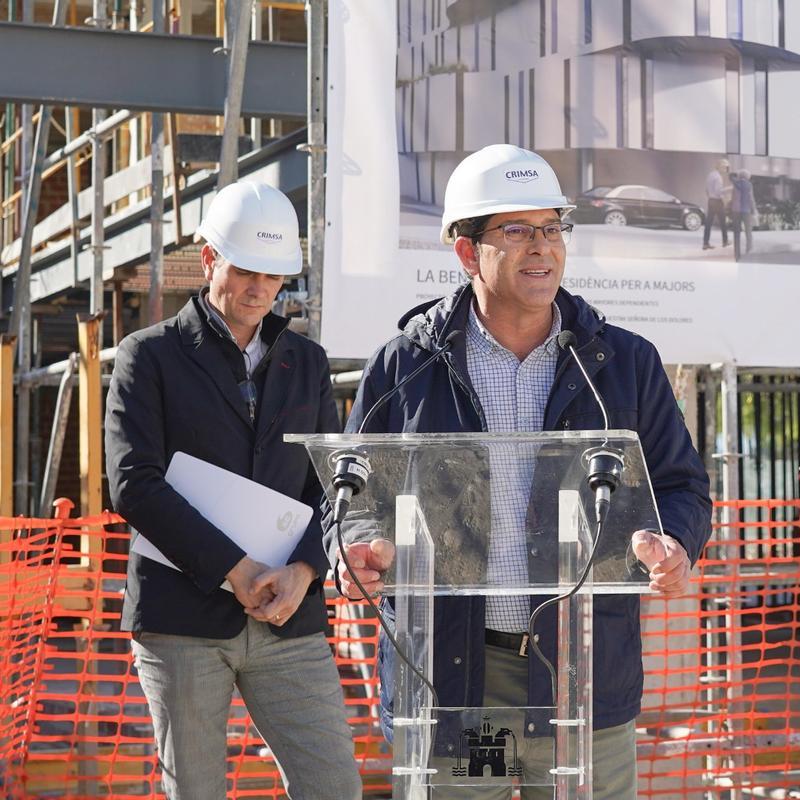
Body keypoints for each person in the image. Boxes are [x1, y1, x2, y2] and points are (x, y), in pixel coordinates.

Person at [327, 144, 712, 799]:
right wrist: (355, 549)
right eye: (516, 230)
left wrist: (674, 542)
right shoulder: (405, 367)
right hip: (459, 686)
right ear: (467, 251)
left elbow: (681, 487)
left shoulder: (620, 364)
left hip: (581, 679)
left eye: (552, 228)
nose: (542, 247)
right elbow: (352, 496)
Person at [105, 181, 361, 799]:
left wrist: (305, 568)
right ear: (209, 257)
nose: (259, 290)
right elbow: (133, 485)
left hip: (287, 613)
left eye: (273, 277)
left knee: (334, 786)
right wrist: (234, 568)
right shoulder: (149, 356)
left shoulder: (306, 361)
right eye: (246, 271)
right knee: (195, 791)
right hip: (182, 620)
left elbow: (334, 484)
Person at [702, 157, 730, 250]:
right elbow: (719, 192)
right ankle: (725, 242)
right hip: (717, 201)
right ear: (720, 167)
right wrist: (730, 189)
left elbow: (706, 189)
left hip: (711, 201)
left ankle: (705, 243)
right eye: (725, 167)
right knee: (723, 222)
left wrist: (711, 197)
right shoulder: (718, 177)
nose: (726, 169)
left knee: (708, 223)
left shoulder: (710, 175)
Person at [731, 168, 757, 261]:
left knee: (736, 234)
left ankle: (737, 256)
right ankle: (748, 253)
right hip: (746, 211)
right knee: (748, 232)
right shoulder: (749, 185)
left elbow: (733, 198)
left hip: (736, 211)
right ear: (747, 176)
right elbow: (751, 198)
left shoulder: (735, 184)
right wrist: (753, 210)